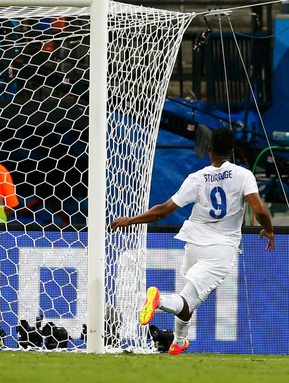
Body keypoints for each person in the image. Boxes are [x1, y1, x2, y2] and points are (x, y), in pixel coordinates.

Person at [110, 127, 274, 355]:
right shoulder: (243, 175)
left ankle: (179, 340)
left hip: (193, 245)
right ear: (233, 150)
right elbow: (260, 210)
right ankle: (158, 301)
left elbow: (163, 211)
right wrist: (269, 230)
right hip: (221, 249)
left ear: (208, 150)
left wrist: (130, 220)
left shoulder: (196, 178)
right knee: (185, 301)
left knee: (188, 299)